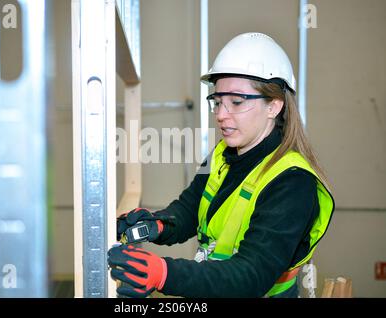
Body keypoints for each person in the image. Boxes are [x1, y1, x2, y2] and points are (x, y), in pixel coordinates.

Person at [107, 32, 335, 298]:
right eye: (217, 102)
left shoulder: (293, 182)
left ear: (274, 105)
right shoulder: (222, 154)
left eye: (236, 102)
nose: (221, 115)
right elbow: (190, 210)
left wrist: (163, 273)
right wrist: (157, 225)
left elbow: (251, 275)